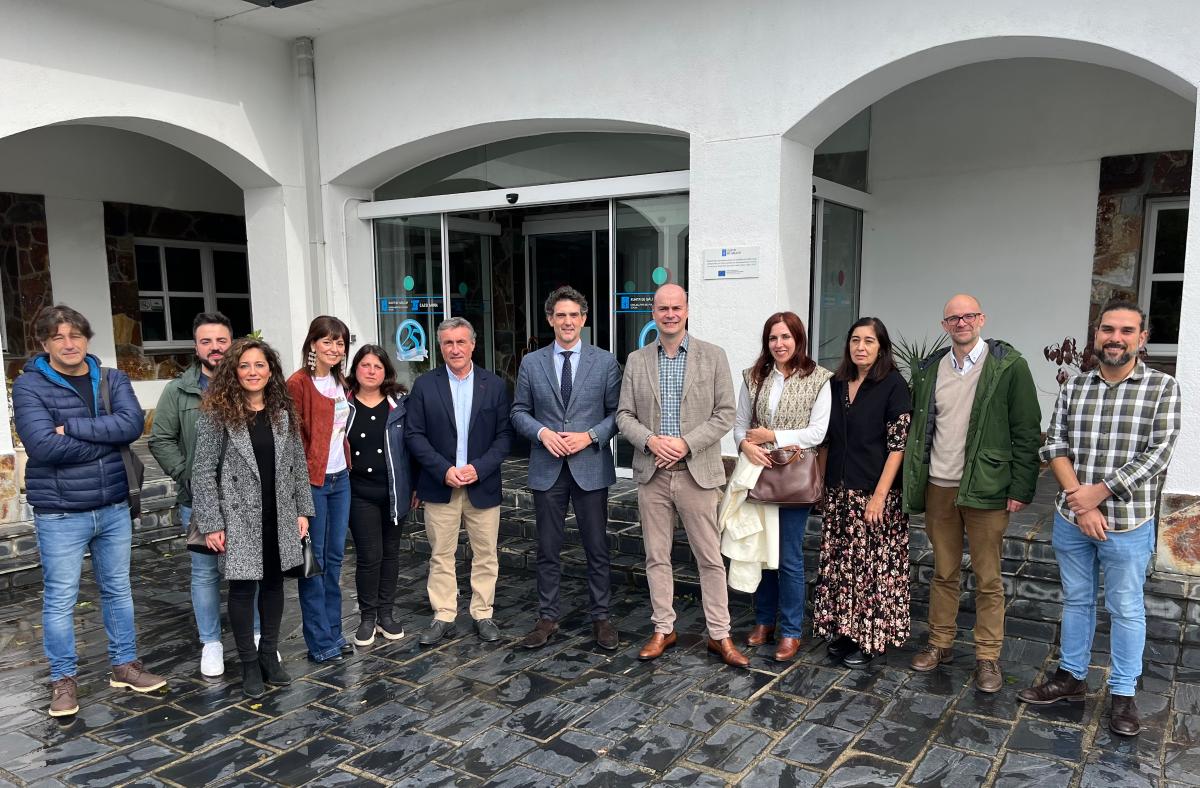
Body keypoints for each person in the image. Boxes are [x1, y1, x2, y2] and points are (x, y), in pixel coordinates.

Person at [1018, 300, 1181, 737]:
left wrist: (1098, 494)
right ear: (1096, 335)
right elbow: (1054, 445)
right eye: (1108, 329)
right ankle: (1072, 678)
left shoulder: (1162, 388)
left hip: (1127, 523)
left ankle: (1123, 694)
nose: (1116, 338)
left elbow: (1158, 454)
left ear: (1142, 338)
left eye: (1127, 331)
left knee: (1126, 608)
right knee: (1076, 600)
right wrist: (1081, 502)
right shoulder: (1076, 387)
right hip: (1072, 519)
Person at [14, 304, 166, 717]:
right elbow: (43, 446)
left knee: (118, 589)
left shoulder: (112, 378)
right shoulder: (29, 386)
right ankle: (63, 680)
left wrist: (74, 428)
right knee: (61, 599)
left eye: (76, 335)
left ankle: (125, 665)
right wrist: (107, 442)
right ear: (44, 343)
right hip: (61, 512)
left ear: (87, 339)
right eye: (58, 337)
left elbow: (132, 426)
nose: (69, 344)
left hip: (113, 505)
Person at [902, 294, 1041, 693]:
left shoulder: (1009, 366)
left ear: (981, 319)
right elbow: (919, 429)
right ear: (944, 325)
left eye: (968, 316)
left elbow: (1027, 429)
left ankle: (987, 656)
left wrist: (1021, 486)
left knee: (988, 576)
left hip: (987, 487)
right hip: (940, 486)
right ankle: (940, 643)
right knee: (943, 571)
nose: (961, 323)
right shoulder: (930, 370)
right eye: (953, 318)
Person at [616, 284, 749, 668]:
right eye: (663, 308)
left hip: (697, 474)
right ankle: (663, 628)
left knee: (709, 558)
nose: (670, 314)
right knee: (656, 557)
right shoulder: (637, 360)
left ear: (687, 310)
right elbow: (624, 415)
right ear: (654, 313)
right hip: (653, 474)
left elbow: (725, 413)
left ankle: (720, 634)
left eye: (676, 307)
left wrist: (686, 443)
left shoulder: (713, 356)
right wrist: (651, 441)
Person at [192, 338, 314, 699]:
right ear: (234, 371)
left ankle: (268, 656)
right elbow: (202, 471)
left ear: (270, 370)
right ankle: (248, 663)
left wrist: (303, 510)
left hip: (279, 514)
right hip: (238, 517)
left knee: (274, 585)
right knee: (243, 589)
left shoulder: (282, 412)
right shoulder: (217, 414)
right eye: (244, 365)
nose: (252, 372)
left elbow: (297, 465)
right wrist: (212, 523)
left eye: (260, 365)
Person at [511, 286, 623, 651]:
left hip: (590, 467)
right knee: (547, 547)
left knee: (597, 547)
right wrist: (542, 433)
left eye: (574, 315)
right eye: (561, 315)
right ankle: (547, 617)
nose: (568, 321)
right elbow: (518, 412)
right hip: (547, 468)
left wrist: (589, 436)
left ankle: (601, 617)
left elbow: (618, 414)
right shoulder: (532, 363)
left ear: (584, 319)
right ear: (550, 320)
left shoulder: (604, 362)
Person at [405, 317, 512, 644]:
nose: (455, 349)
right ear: (440, 347)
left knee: (486, 554)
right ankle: (444, 614)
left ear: (473, 345)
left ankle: (483, 612)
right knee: (441, 554)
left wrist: (479, 468)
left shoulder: (494, 385)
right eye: (448, 343)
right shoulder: (425, 385)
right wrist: (443, 469)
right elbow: (414, 435)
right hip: (441, 486)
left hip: (482, 484)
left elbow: (505, 436)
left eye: (461, 342)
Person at [813, 317, 912, 667]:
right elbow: (826, 440)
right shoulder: (836, 383)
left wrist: (879, 497)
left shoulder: (894, 385)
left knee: (870, 571)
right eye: (855, 340)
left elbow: (898, 447)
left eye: (869, 341)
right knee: (842, 569)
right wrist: (820, 485)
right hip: (839, 494)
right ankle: (845, 631)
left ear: (881, 347)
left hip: (873, 495)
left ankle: (871, 639)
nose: (861, 347)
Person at [734, 312, 831, 662]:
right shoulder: (754, 376)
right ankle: (764, 621)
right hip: (759, 474)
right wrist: (745, 445)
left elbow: (818, 432)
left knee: (789, 557)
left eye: (786, 337)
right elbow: (740, 425)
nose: (779, 344)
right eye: (773, 338)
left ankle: (790, 631)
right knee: (763, 554)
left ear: (798, 339)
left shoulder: (819, 378)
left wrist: (772, 436)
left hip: (794, 480)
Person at [148, 311, 236, 678]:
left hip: (247, 499)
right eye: (206, 341)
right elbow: (160, 439)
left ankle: (258, 637)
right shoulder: (178, 390)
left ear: (231, 343)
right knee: (204, 574)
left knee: (253, 572)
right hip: (198, 501)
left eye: (221, 340)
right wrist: (187, 475)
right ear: (196, 347)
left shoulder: (250, 381)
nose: (215, 348)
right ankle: (211, 643)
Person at [287, 316, 353, 663]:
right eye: (327, 341)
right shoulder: (298, 384)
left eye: (340, 343)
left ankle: (334, 631)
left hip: (341, 479)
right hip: (313, 483)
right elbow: (292, 442)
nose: (334, 348)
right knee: (315, 561)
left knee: (336, 558)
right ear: (313, 344)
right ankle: (319, 640)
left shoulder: (341, 381)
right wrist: (298, 496)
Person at [346, 344, 417, 647]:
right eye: (365, 365)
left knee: (390, 554)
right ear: (355, 369)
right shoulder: (343, 403)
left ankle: (386, 614)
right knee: (369, 556)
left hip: (394, 491)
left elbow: (413, 446)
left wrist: (415, 485)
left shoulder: (399, 404)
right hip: (358, 493)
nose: (371, 371)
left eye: (377, 366)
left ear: (386, 371)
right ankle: (367, 617)